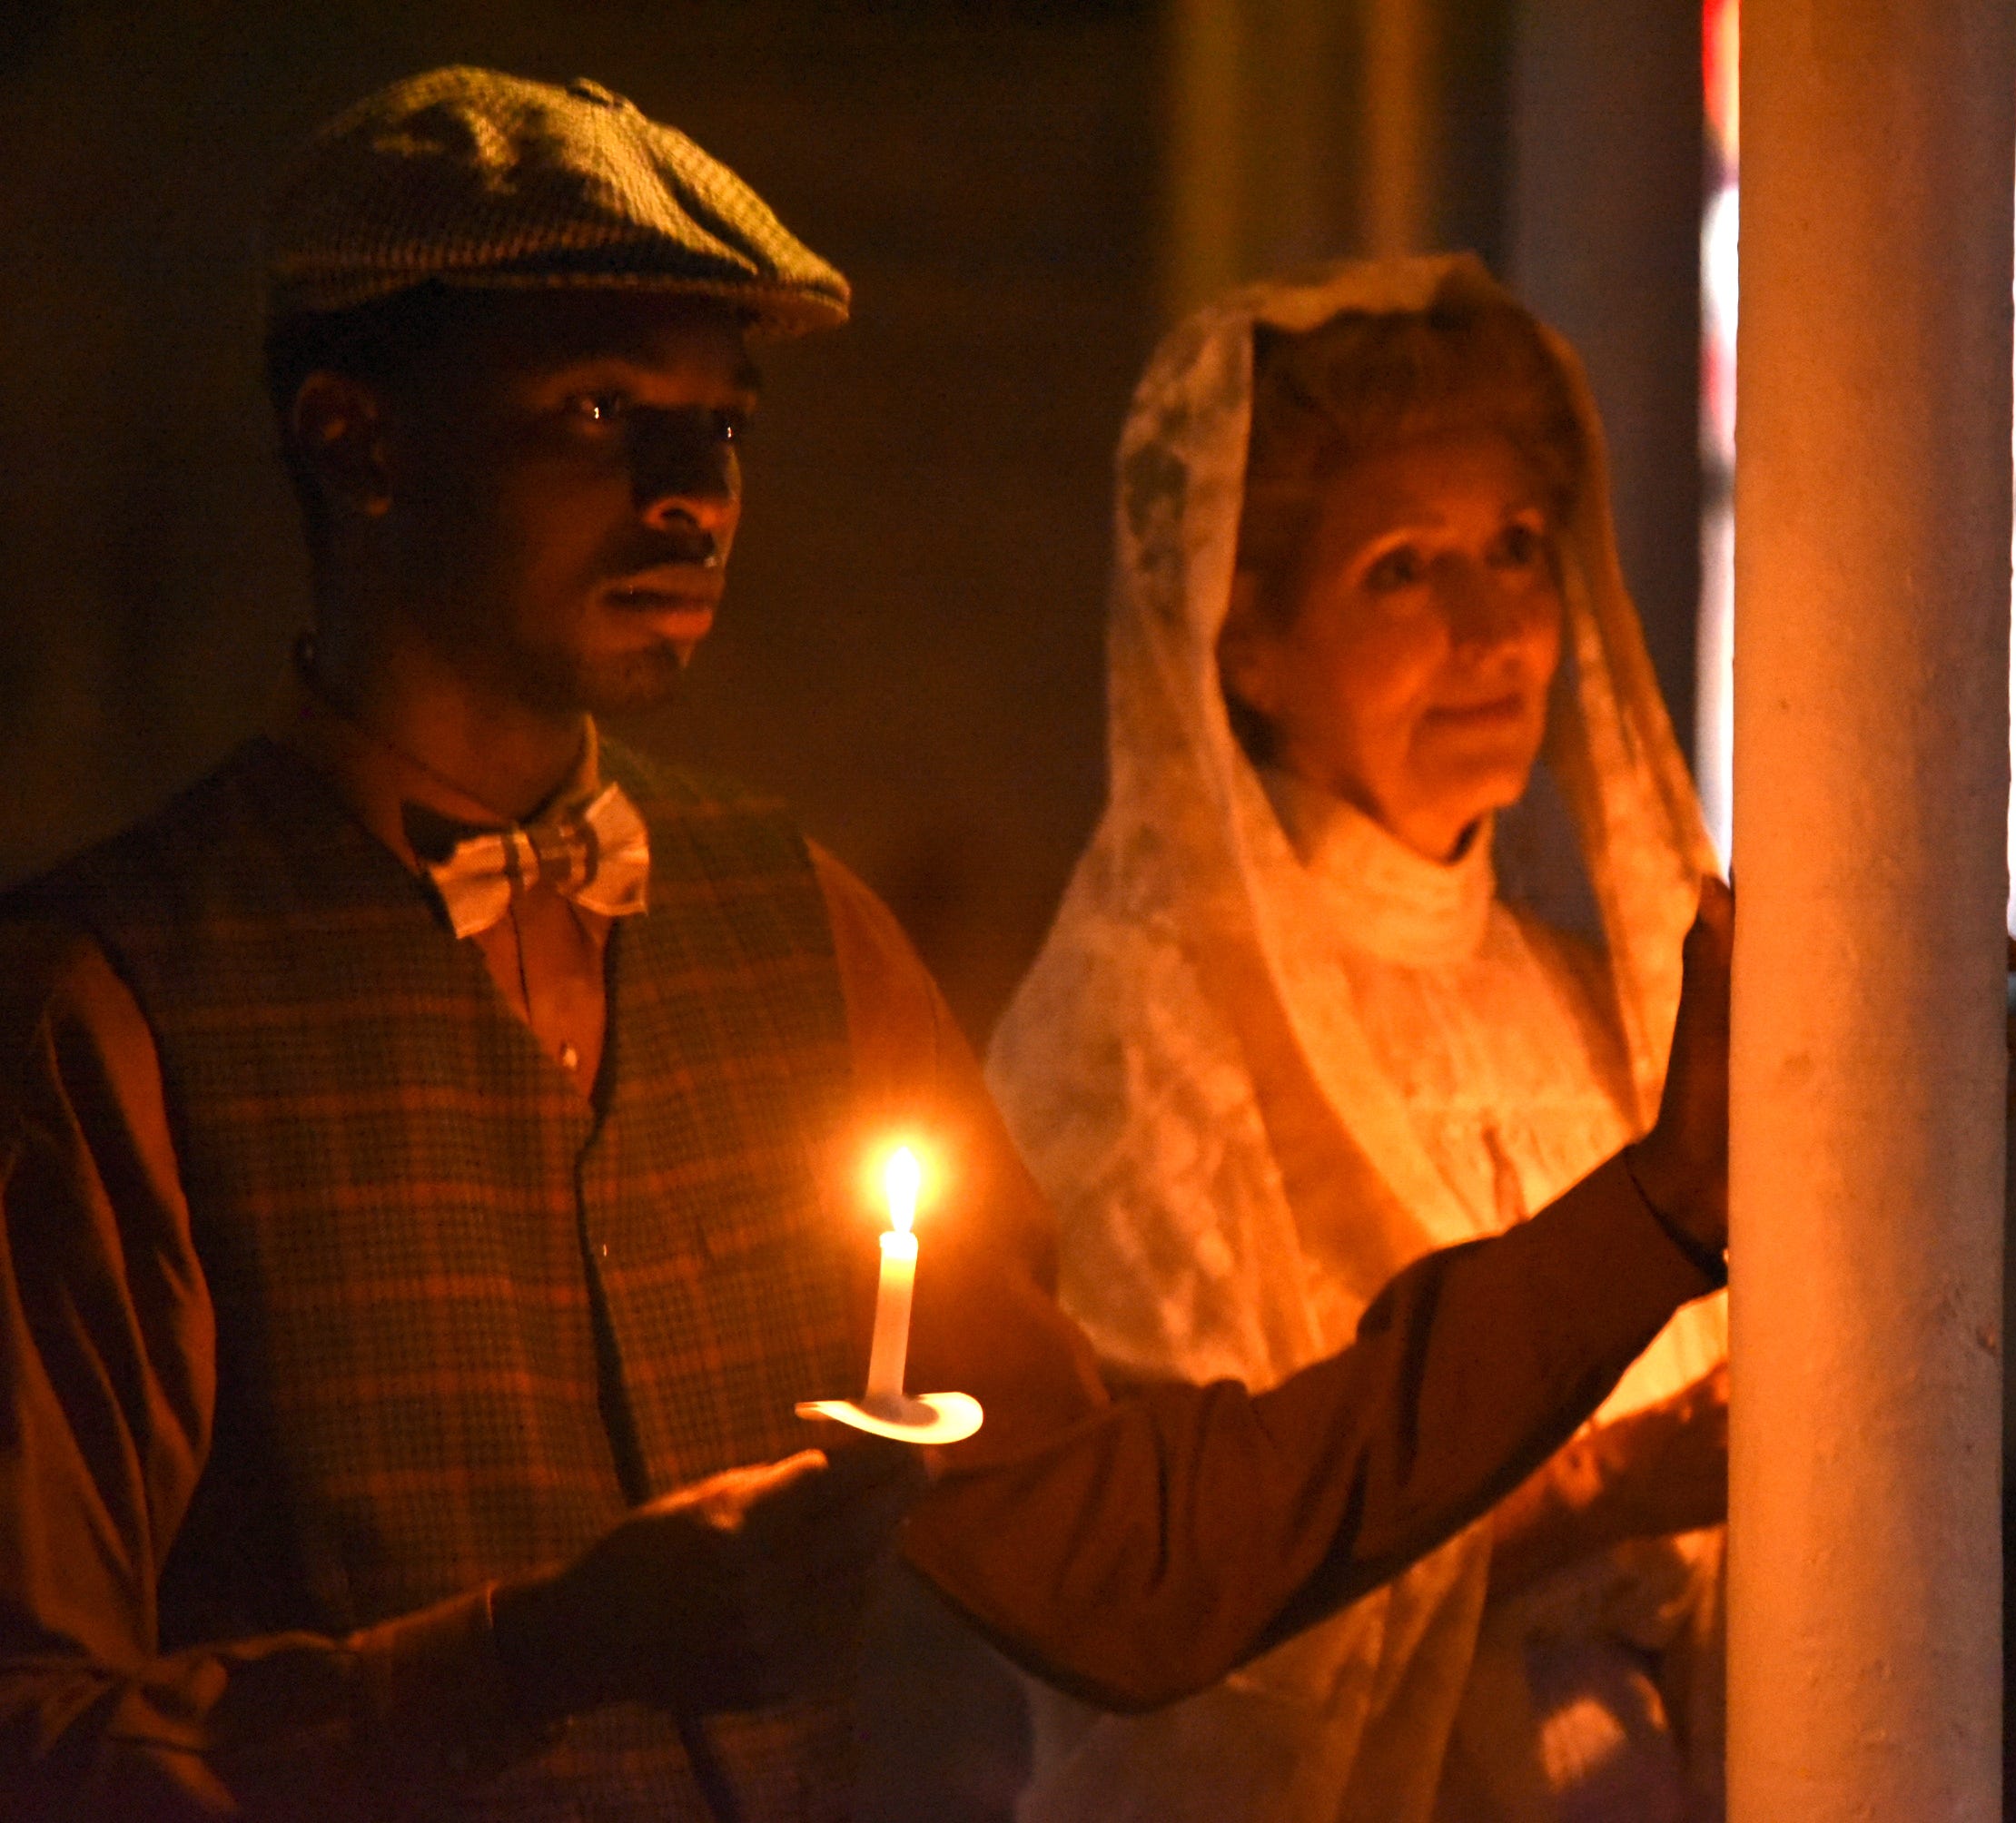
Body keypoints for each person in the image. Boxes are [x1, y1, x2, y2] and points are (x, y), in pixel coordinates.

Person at [0, 72, 1732, 1820]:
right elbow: (34, 1737)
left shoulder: (793, 929)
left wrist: (1657, 1212)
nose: (691, 496)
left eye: (725, 425)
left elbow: (1128, 1560)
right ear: (355, 440)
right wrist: (536, 1656)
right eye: (601, 412)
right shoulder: (115, 1004)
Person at [985, 257, 1729, 1823]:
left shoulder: (1596, 1007)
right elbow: (1184, 1598)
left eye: (1518, 552)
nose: (1490, 629)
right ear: (1243, 639)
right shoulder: (1140, 1042)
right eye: (1403, 570)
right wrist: (1600, 1493)